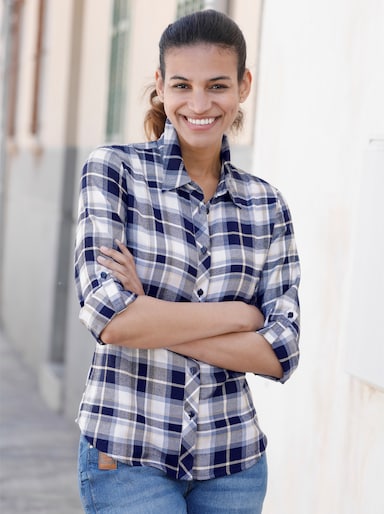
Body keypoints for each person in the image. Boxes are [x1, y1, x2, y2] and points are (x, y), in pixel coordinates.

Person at [74, 9, 300, 514]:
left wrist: (151, 312)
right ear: (160, 85)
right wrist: (239, 317)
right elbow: (108, 317)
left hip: (233, 464)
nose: (199, 104)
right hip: (128, 454)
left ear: (243, 85)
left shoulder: (267, 205)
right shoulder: (114, 172)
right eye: (182, 85)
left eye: (217, 85)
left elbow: (280, 351)